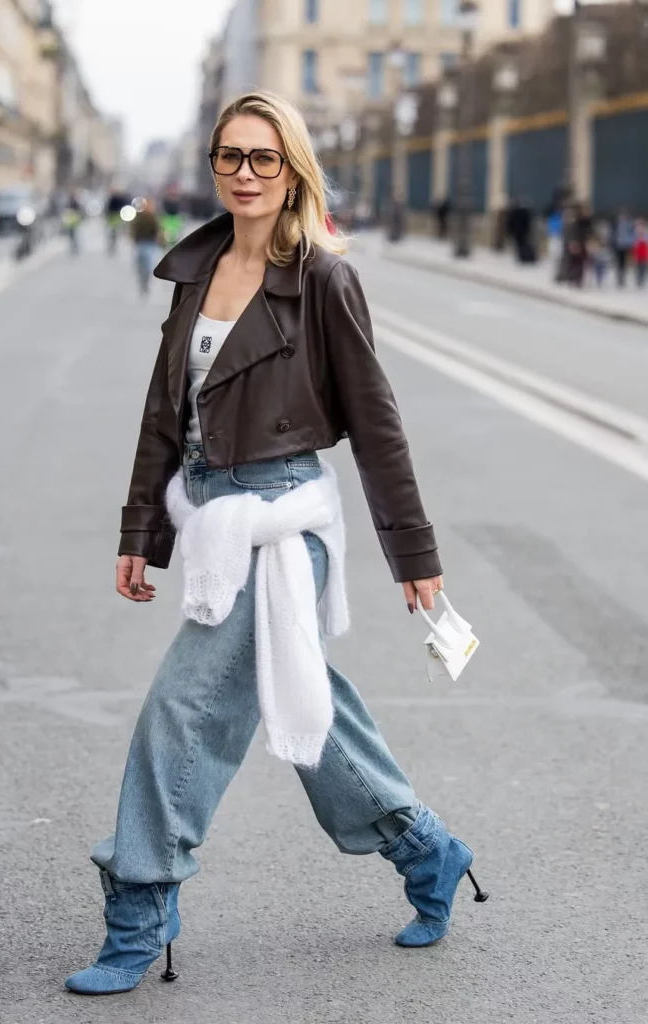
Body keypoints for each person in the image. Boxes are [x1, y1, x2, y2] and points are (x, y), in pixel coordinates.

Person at [64, 90, 487, 998]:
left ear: (292, 169)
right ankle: (426, 850)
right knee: (304, 700)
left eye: (264, 158)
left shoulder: (323, 279)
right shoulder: (197, 268)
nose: (246, 173)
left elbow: (376, 422)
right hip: (207, 512)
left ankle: (140, 899)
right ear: (213, 165)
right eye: (231, 156)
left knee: (183, 707)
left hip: (279, 519)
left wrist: (413, 554)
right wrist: (141, 532)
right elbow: (164, 416)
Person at [131, 199, 163, 295]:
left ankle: (146, 282)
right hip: (141, 242)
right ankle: (142, 281)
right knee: (140, 264)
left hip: (150, 243)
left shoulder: (154, 217)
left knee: (149, 266)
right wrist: (133, 237)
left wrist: (160, 239)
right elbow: (134, 228)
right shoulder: (139, 217)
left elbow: (158, 230)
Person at [612, 208, 635, 288]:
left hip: (626, 245)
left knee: (624, 263)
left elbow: (632, 234)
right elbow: (613, 234)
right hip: (618, 246)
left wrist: (631, 243)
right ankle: (619, 278)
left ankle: (623, 278)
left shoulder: (629, 224)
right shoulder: (616, 224)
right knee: (619, 262)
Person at [633, 219, 648, 288]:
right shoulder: (635, 236)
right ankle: (638, 280)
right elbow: (634, 247)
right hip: (638, 255)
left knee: (643, 268)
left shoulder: (646, 236)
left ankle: (642, 280)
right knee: (637, 268)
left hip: (644, 254)